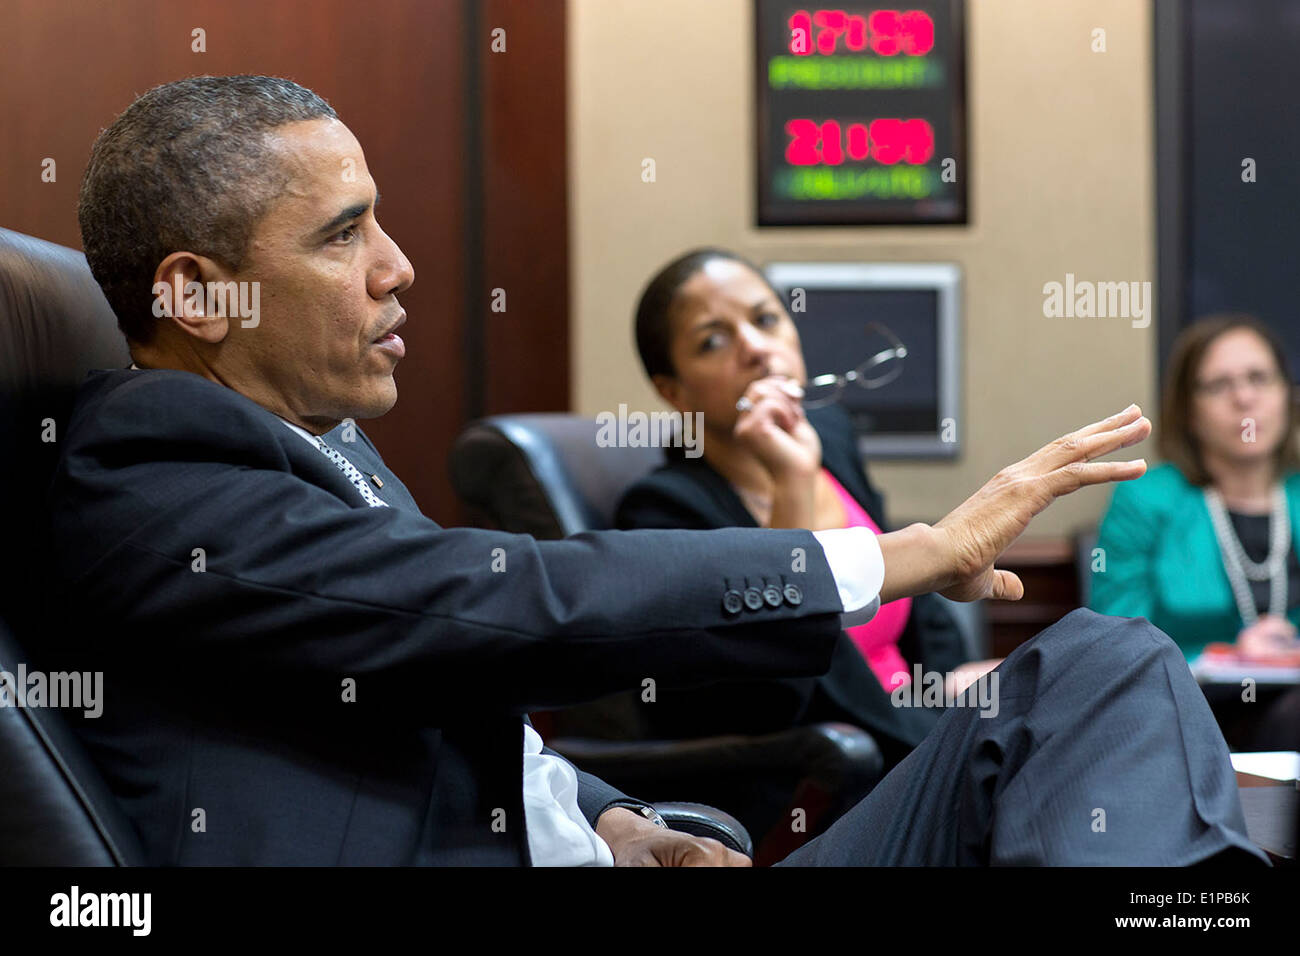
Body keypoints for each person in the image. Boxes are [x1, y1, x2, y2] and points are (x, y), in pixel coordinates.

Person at [43, 74, 1265, 867]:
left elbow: (451, 685)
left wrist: (613, 817)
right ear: (197, 292)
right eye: (343, 233)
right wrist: (886, 556)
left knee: (1098, 665)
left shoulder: (319, 448)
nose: (399, 266)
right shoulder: (147, 474)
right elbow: (502, 600)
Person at [614, 248, 997, 768]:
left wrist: (949, 687)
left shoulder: (831, 437)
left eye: (766, 320)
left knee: (1099, 656)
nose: (755, 348)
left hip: (921, 724)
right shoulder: (663, 512)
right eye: (713, 340)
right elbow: (771, 701)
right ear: (674, 392)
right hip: (845, 768)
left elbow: (917, 597)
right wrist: (792, 483)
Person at [1091, 313, 1300, 750]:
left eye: (1259, 378)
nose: (1244, 398)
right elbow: (1114, 644)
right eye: (1219, 385)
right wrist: (1230, 657)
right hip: (1183, 714)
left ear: (1286, 393)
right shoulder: (1145, 500)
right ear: (1189, 410)